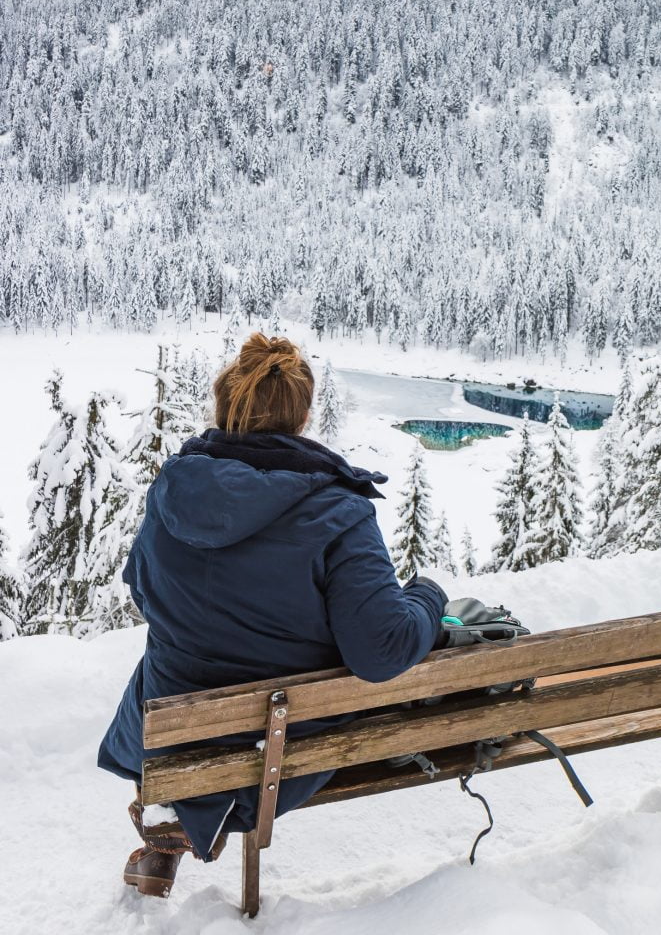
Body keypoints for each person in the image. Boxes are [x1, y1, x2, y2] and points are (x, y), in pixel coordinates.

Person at [98, 333, 447, 898]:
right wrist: (429, 596)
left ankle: (174, 816)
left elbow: (142, 588)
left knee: (172, 662)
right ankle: (187, 817)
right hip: (279, 744)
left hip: (171, 733)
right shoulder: (338, 510)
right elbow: (382, 648)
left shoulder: (172, 493)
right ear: (304, 417)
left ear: (224, 410)